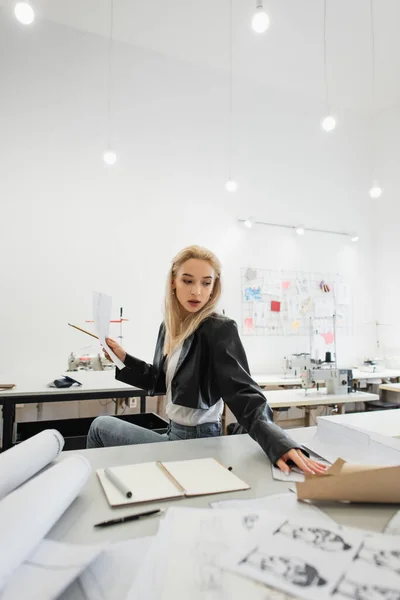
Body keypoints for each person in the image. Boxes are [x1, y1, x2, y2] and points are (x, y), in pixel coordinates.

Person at [87, 245, 326, 475]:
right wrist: (123, 358)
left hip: (196, 440)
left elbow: (244, 392)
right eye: (188, 281)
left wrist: (279, 443)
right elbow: (160, 381)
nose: (196, 291)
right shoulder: (169, 327)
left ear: (214, 287)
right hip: (175, 433)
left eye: (206, 283)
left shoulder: (218, 329)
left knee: (99, 427)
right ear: (173, 282)